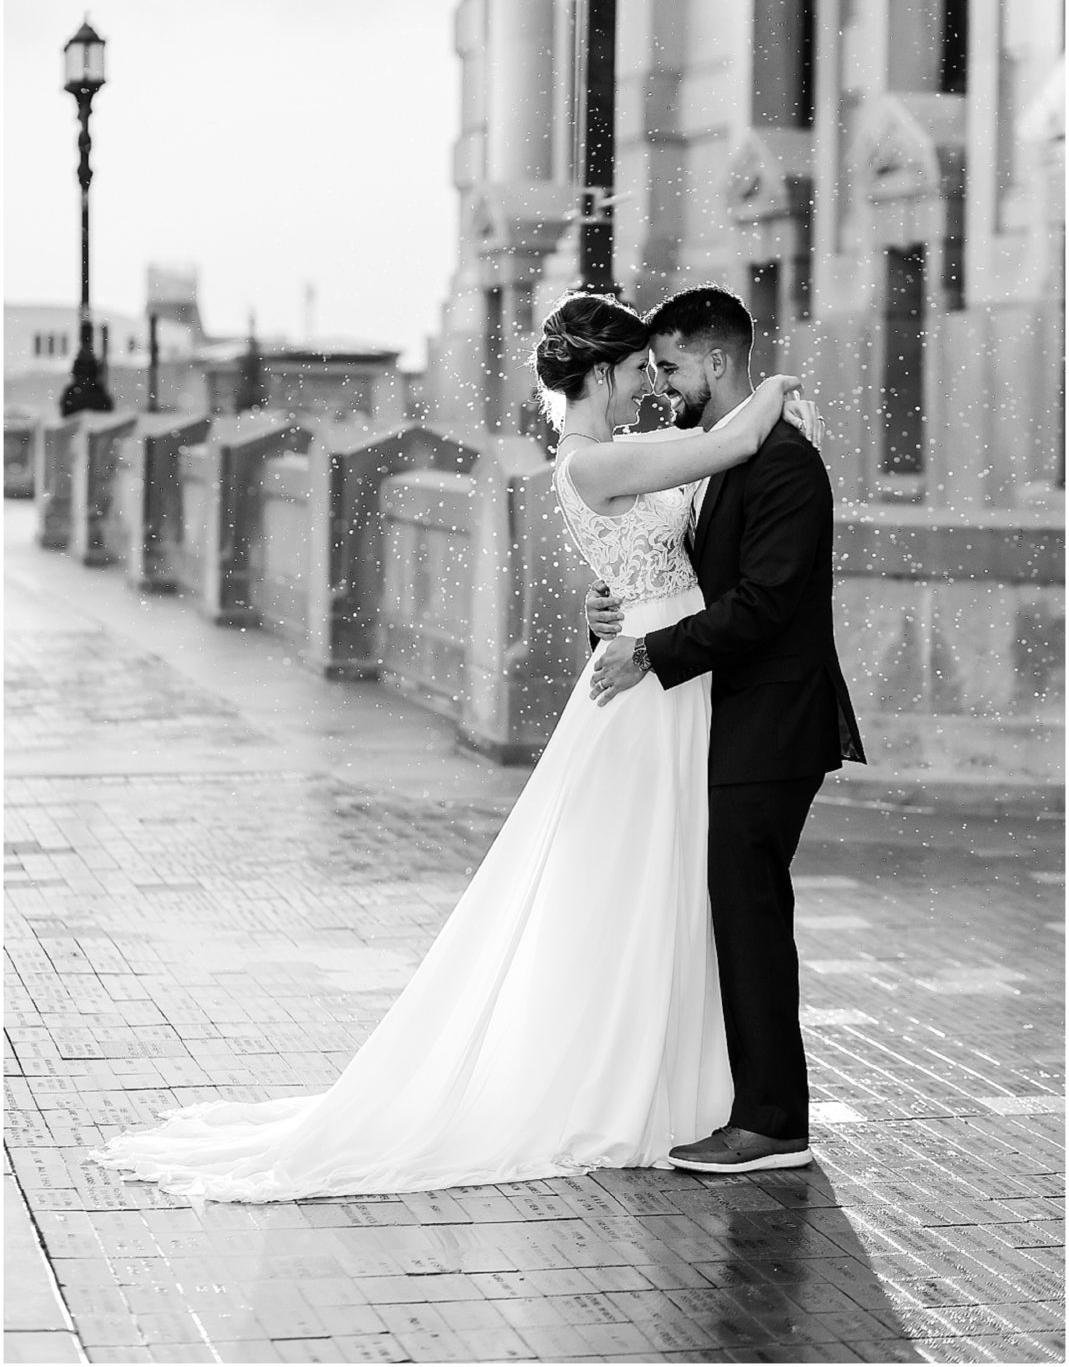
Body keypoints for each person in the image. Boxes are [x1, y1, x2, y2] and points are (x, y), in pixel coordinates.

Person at [87, 292, 820, 1202]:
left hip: (668, 675)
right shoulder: (602, 459)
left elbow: (697, 546)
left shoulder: (614, 456)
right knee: (643, 881)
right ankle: (646, 1086)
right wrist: (777, 386)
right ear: (597, 376)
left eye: (660, 371)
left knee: (666, 884)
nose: (651, 390)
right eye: (639, 373)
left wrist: (620, 608)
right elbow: (728, 448)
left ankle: (695, 1088)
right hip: (650, 684)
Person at [588, 286, 865, 1176]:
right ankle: (751, 1106)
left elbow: (764, 604)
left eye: (668, 367)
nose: (663, 386)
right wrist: (616, 608)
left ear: (713, 361)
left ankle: (773, 1122)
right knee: (736, 907)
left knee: (747, 911)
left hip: (775, 718)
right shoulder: (727, 452)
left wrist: (652, 653)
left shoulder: (785, 461)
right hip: (735, 711)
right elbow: (696, 577)